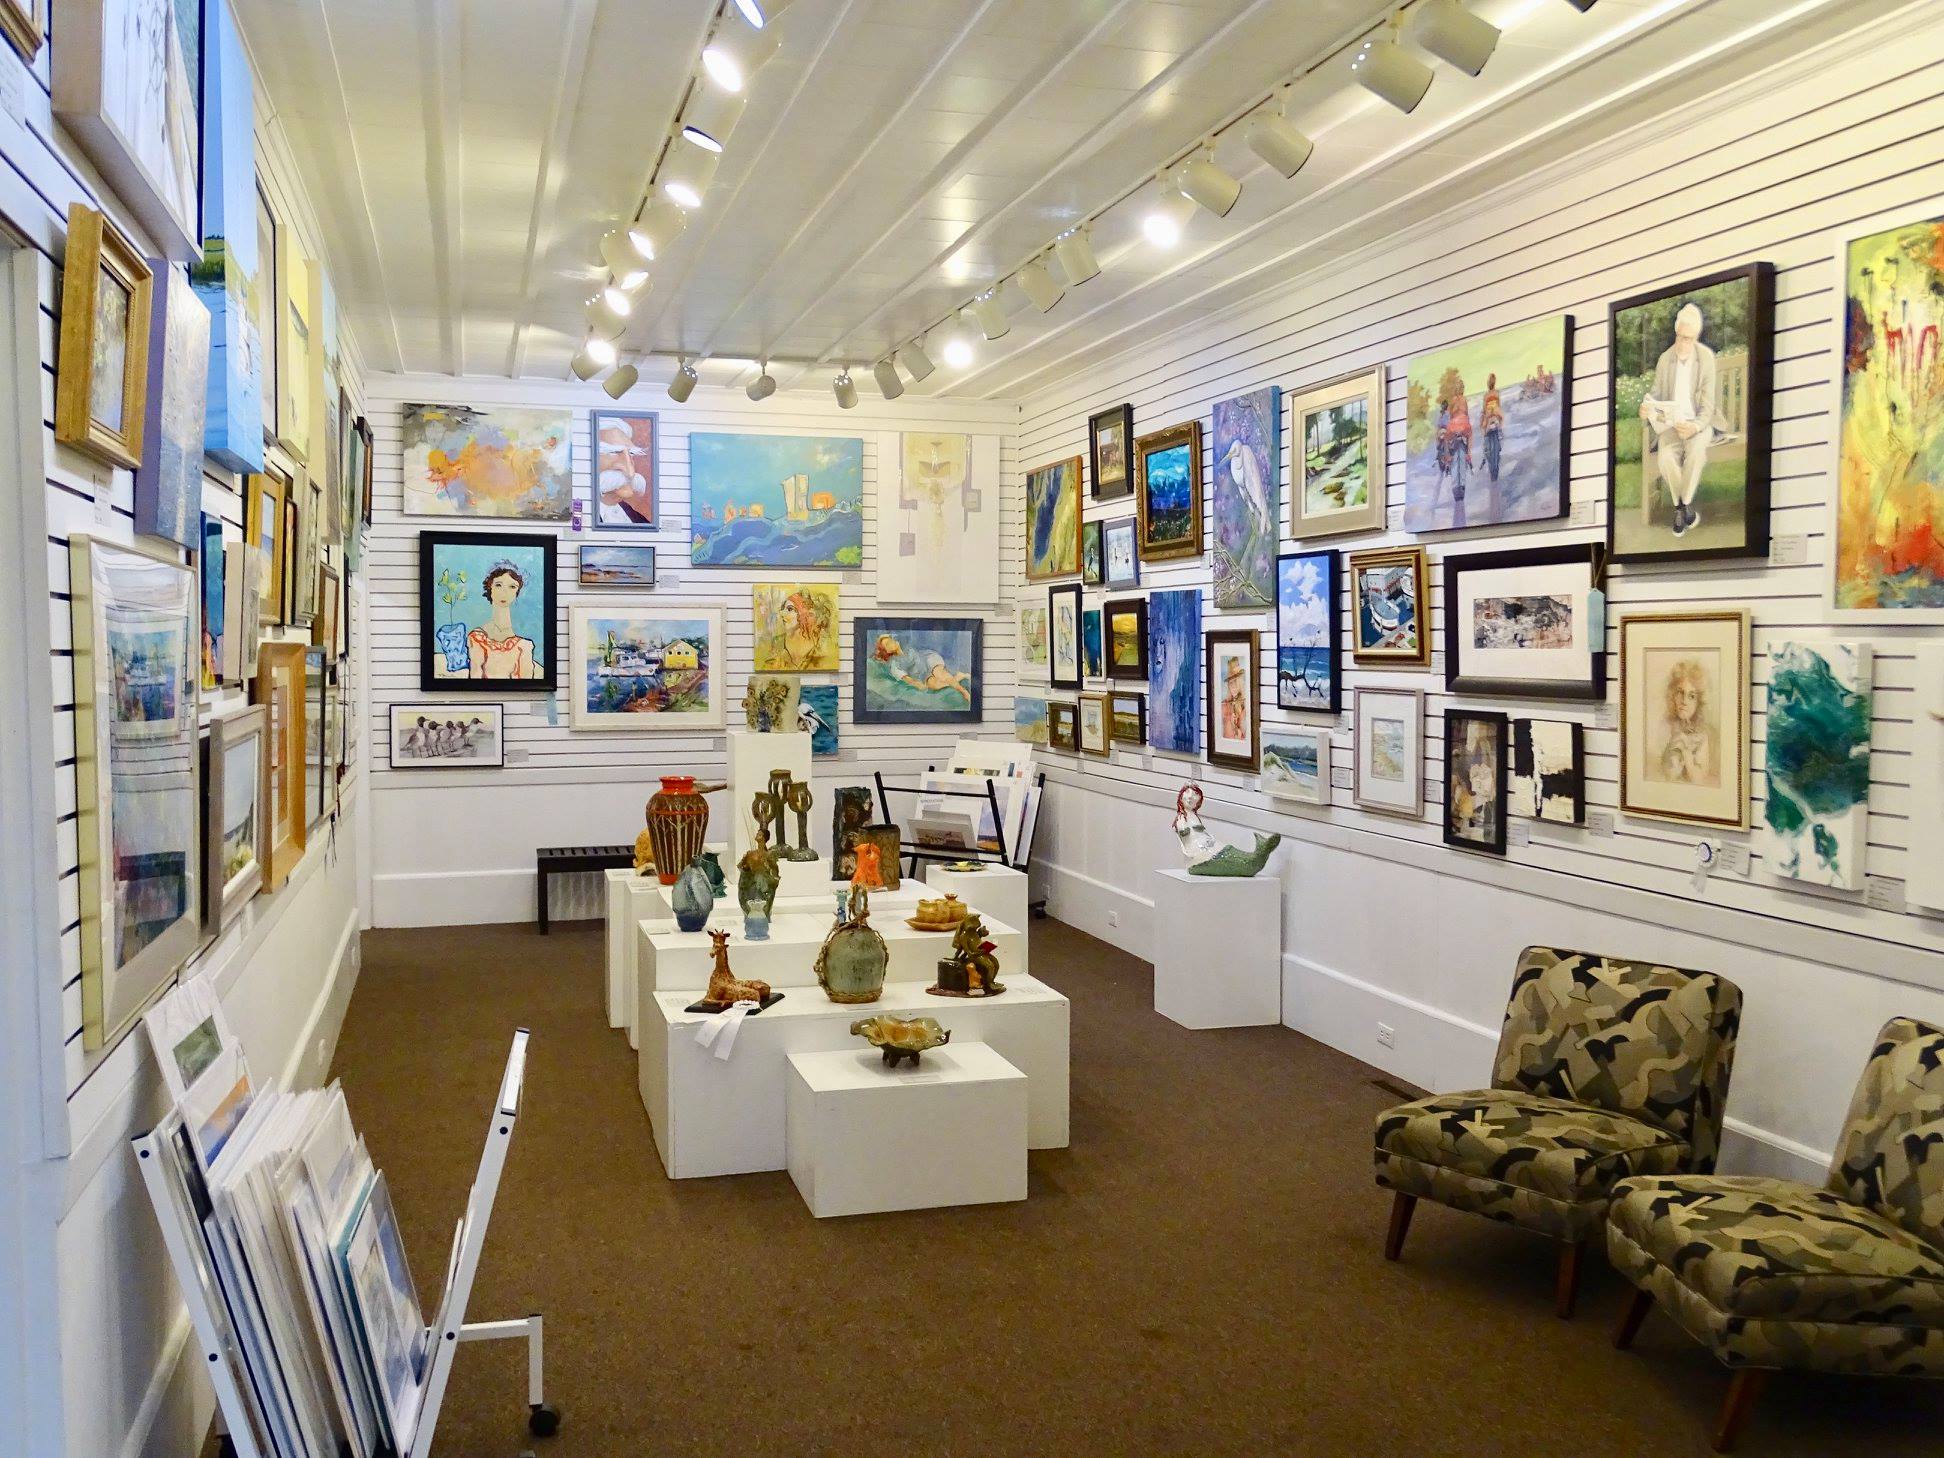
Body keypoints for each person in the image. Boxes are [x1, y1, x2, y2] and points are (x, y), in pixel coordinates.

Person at [1639, 302, 1730, 538]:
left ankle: (1680, 507)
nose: (1682, 343)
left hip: (1699, 424)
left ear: (1696, 337)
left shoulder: (1705, 357)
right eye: (1679, 336)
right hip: (1671, 425)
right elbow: (1656, 394)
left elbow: (1708, 405)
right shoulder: (1665, 359)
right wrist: (1647, 408)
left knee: (1696, 453)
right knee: (1666, 459)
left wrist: (1695, 426)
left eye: (1687, 338)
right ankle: (1686, 508)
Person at [468, 563, 541, 679]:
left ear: (517, 593)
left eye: (512, 587)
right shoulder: (477, 637)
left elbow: (525, 684)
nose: (504, 592)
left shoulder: (523, 645)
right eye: (498, 585)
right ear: (490, 587)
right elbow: (475, 677)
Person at [1658, 659, 1716, 785]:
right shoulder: (1666, 728)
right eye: (1680, 693)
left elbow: (1698, 779)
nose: (1684, 701)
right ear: (1673, 695)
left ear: (1699, 702)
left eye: (1691, 696)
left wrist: (1686, 752)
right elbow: (1664, 775)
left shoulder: (1701, 737)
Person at [872, 633, 971, 706]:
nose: (892, 641)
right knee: (936, 685)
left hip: (928, 659)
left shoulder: (906, 648)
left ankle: (964, 692)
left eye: (890, 639)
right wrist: (918, 684)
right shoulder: (894, 665)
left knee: (941, 674)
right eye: (888, 644)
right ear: (887, 651)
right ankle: (958, 676)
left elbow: (920, 657)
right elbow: (908, 679)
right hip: (922, 676)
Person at [1480, 372, 1505, 484]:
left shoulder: (1486, 395)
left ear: (1488, 383)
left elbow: (1484, 409)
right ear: (1494, 383)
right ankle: (1500, 432)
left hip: (1489, 416)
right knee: (1501, 420)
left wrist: (1484, 416)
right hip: (1495, 415)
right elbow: (1498, 405)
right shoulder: (1497, 393)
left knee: (1484, 431)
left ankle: (1486, 443)